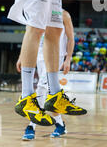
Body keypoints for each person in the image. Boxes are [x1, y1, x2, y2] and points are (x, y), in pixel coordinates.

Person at [18, 10, 74, 139]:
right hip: (38, 54)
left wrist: (68, 59)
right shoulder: (37, 11)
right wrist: (22, 56)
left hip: (56, 55)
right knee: (48, 93)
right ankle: (60, 125)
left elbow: (71, 38)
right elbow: (29, 36)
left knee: (41, 87)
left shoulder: (64, 14)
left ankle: (31, 126)